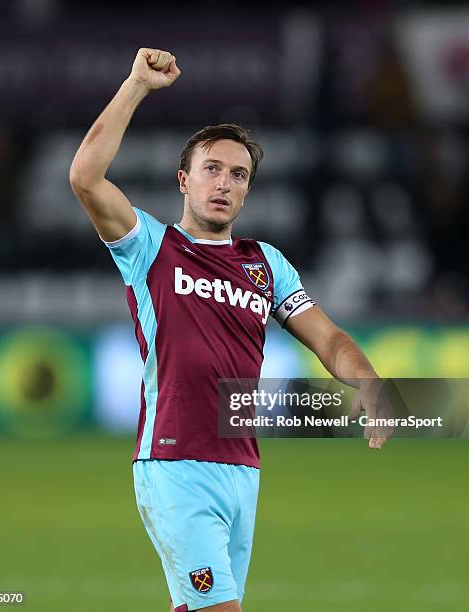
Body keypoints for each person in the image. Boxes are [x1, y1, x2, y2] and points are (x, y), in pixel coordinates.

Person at [70, 48, 390, 612]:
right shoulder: (152, 248)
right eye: (211, 169)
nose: (224, 182)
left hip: (241, 468)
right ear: (183, 181)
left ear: (248, 191)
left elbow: (328, 338)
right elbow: (85, 177)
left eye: (238, 174)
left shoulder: (265, 264)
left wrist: (365, 380)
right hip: (174, 462)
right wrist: (136, 85)